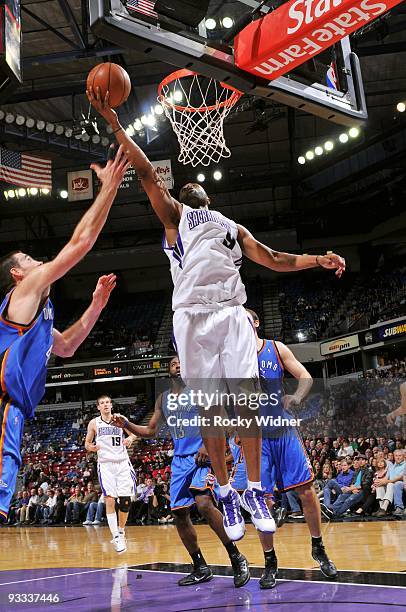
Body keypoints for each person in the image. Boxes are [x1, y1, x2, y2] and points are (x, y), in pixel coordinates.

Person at [88, 86, 346, 541]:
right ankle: (225, 491)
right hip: (190, 316)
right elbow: (147, 171)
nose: (190, 188)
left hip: (230, 313)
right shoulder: (175, 216)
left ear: (208, 195)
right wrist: (113, 121)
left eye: (194, 187)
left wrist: (316, 260)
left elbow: (275, 258)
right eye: (185, 187)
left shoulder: (232, 226)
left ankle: (252, 490)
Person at [0, 147, 130, 520]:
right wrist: (109, 188)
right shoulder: (24, 293)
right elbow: (80, 244)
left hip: (14, 406)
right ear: (17, 274)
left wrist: (96, 305)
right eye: (27, 259)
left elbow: (69, 346)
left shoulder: (38, 314)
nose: (36, 261)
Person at [112, 355, 250, 588]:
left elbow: (224, 421)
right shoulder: (163, 399)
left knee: (205, 503)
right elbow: (150, 430)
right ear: (168, 370)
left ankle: (236, 557)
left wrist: (208, 444)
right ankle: (200, 566)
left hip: (202, 456)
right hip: (179, 461)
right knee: (179, 514)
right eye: (174, 363)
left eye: (182, 363)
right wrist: (126, 424)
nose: (179, 366)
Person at [245, 309, 337, 588]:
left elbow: (305, 376)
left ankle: (318, 546)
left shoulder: (276, 348)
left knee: (307, 492)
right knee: (262, 501)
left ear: (256, 323)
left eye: (244, 321)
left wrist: (296, 396)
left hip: (283, 430)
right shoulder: (232, 358)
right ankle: (270, 561)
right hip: (255, 437)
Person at [85, 395, 137, 553]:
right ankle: (115, 536)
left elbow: (134, 433)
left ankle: (121, 531)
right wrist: (92, 448)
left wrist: (130, 439)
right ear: (98, 407)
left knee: (126, 500)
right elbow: (87, 443)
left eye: (107, 402)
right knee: (109, 499)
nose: (105, 405)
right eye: (102, 403)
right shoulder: (94, 423)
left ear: (111, 405)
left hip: (122, 463)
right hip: (106, 465)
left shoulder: (120, 419)